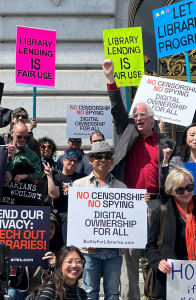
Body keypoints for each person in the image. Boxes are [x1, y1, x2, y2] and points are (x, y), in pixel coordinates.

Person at [102, 59, 176, 300]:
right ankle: (131, 298)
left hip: (157, 204)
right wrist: (111, 80)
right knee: (130, 257)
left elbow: (172, 179)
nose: (138, 118)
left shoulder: (166, 144)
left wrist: (166, 164)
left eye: (142, 115)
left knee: (157, 254)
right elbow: (117, 109)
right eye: (135, 115)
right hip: (130, 204)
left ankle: (156, 295)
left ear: (151, 118)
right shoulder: (128, 132)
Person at [145, 167, 196, 299]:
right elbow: (151, 246)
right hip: (170, 282)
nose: (186, 192)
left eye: (189, 187)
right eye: (180, 190)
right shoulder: (160, 212)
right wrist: (158, 261)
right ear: (171, 191)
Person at [72, 141, 126, 300]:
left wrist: (138, 203)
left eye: (107, 156)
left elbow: (125, 217)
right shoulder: (78, 185)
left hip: (114, 251)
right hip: (89, 250)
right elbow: (76, 217)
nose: (103, 159)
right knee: (90, 292)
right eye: (98, 156)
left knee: (113, 293)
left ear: (112, 161)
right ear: (90, 160)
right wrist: (82, 239)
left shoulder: (122, 187)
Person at [8, 214, 62, 300]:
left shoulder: (58, 250)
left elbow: (67, 278)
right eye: (44, 226)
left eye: (52, 228)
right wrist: (7, 268)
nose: (48, 231)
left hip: (43, 294)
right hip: (21, 292)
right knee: (10, 293)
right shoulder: (17, 245)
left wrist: (57, 265)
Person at [44, 148, 86, 245]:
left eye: (75, 161)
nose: (72, 163)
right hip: (63, 214)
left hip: (79, 214)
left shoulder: (82, 177)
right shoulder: (57, 177)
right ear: (64, 160)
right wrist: (49, 176)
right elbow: (54, 195)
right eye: (70, 160)